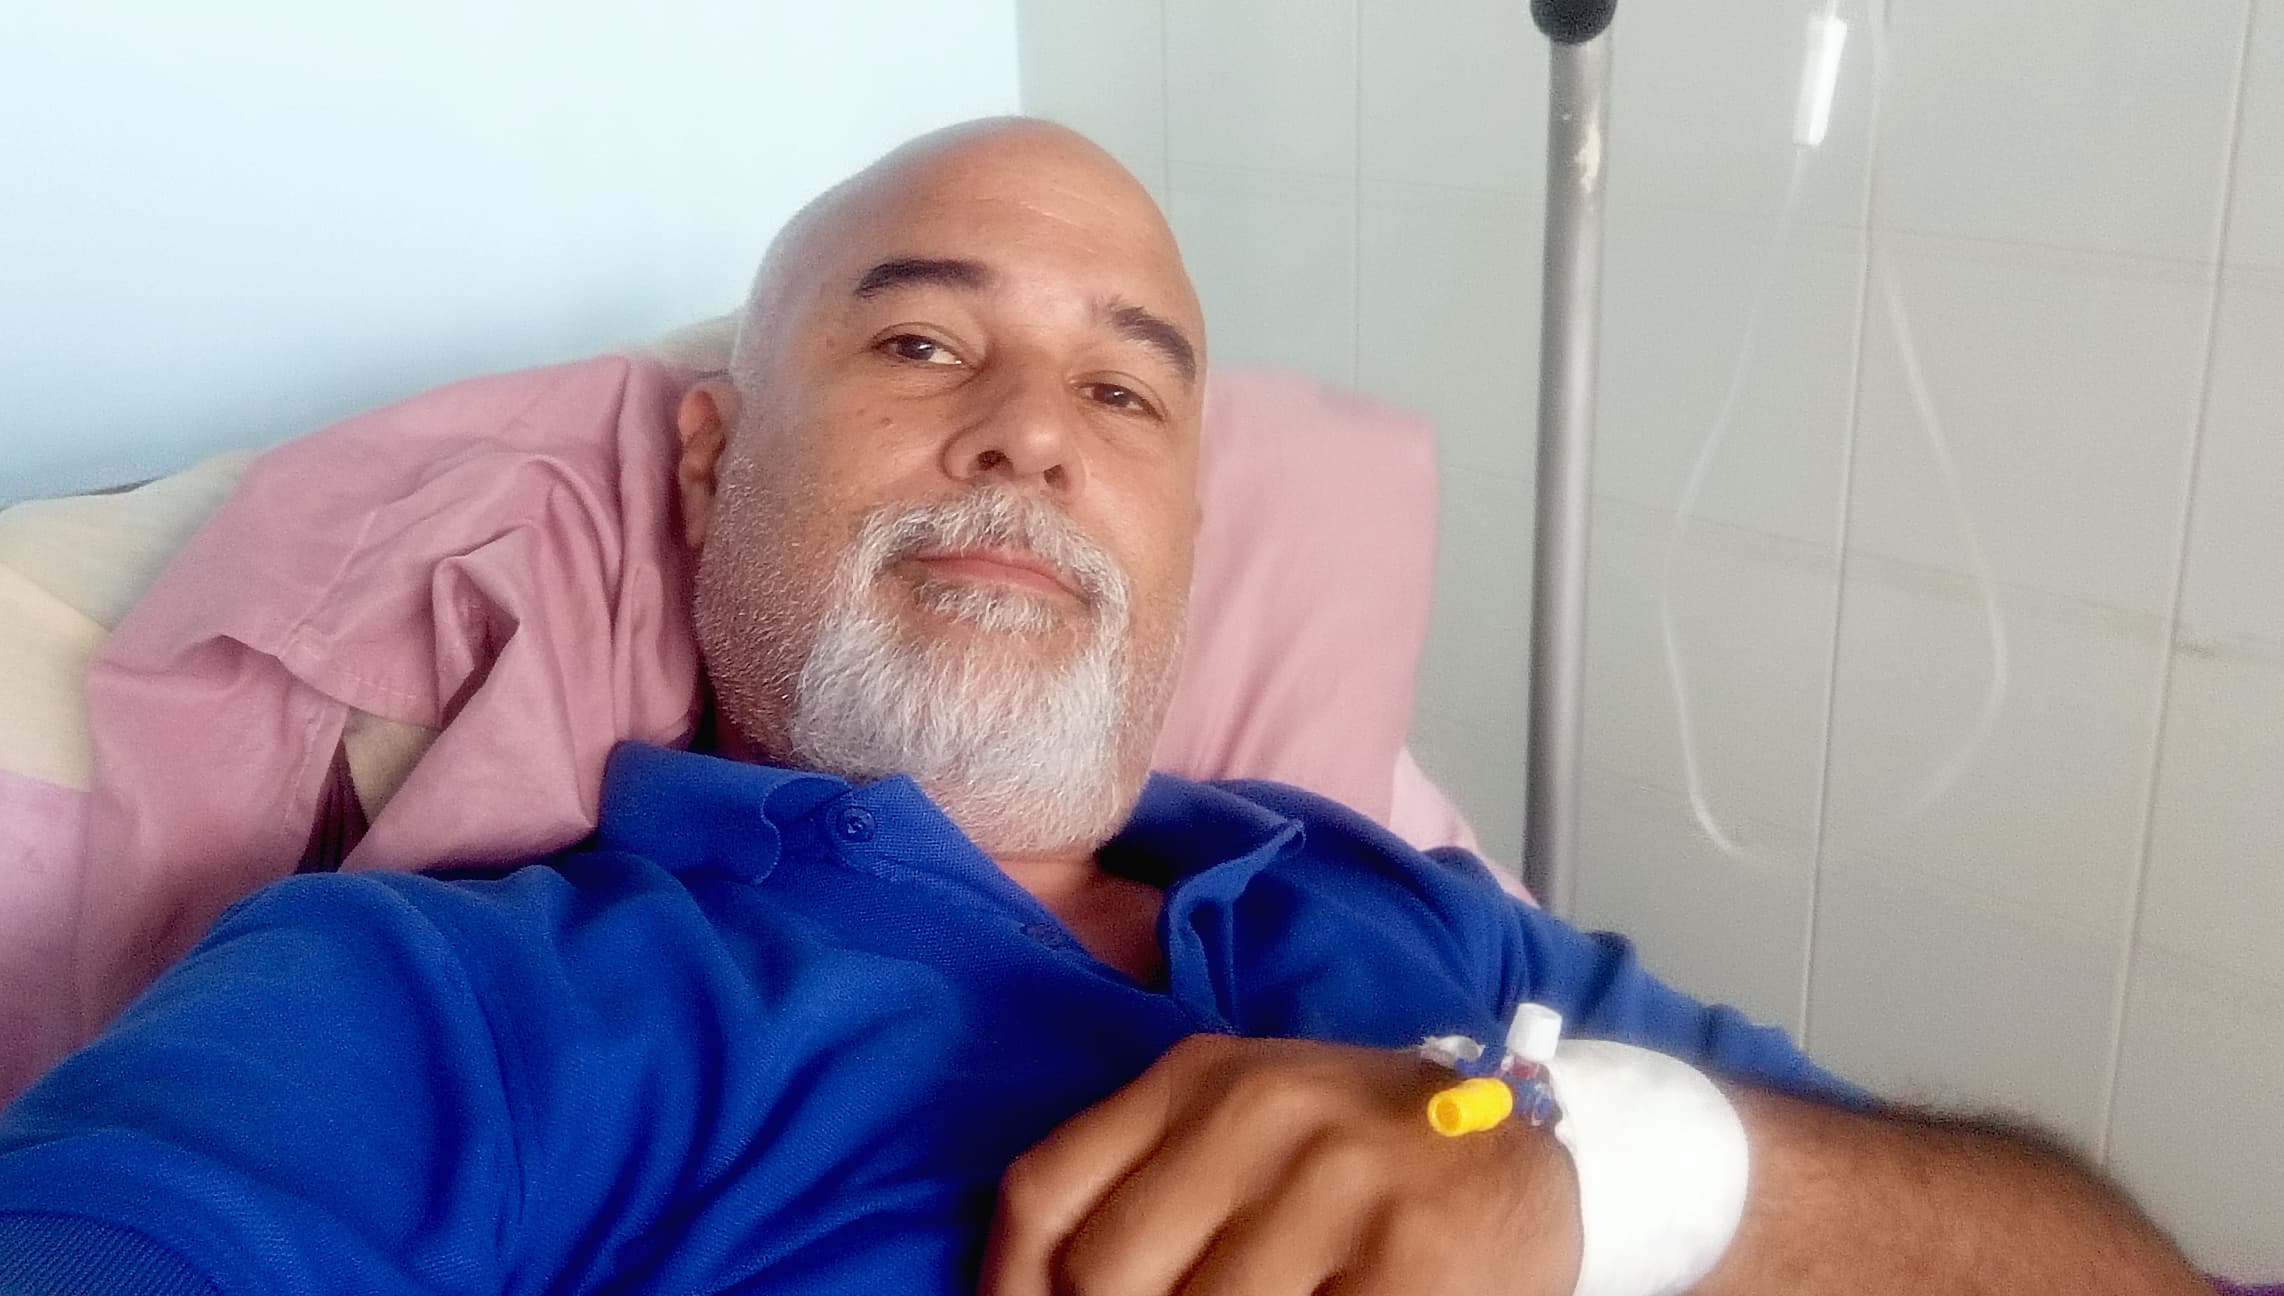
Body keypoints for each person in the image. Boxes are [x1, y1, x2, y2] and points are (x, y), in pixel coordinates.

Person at [0, 118, 2208, 1296]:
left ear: (1186, 525)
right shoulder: (440, 1003)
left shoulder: (1433, 931)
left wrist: (1617, 1181)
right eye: (919, 345)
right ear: (705, 465)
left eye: (1125, 392)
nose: (1032, 436)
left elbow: (2119, 1277)